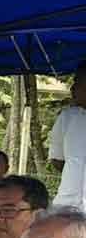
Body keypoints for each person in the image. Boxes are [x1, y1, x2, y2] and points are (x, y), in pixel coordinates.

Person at [49, 61, 86, 211]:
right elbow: (57, 160)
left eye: (78, 82)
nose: (72, 88)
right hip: (66, 205)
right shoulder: (67, 118)